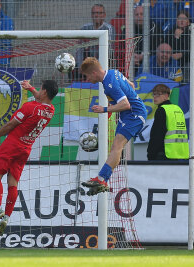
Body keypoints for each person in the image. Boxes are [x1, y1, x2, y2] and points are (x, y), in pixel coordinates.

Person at [0, 80, 58, 236]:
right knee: (13, 183)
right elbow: (41, 99)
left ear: (44, 92)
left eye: (40, 89)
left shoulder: (29, 107)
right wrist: (31, 88)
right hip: (26, 148)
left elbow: (10, 125)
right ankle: (6, 218)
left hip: (12, 144)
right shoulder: (51, 110)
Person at [80, 57, 147, 196]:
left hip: (134, 114)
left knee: (117, 146)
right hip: (128, 115)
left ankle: (101, 179)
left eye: (86, 76)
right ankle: (103, 180)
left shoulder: (109, 83)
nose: (87, 80)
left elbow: (126, 104)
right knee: (115, 147)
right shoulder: (113, 72)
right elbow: (131, 85)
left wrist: (104, 109)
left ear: (93, 73)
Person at [147, 84, 189, 160]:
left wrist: (151, 154)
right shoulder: (178, 109)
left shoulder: (162, 110)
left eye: (158, 94)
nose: (155, 97)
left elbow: (157, 134)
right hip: (179, 153)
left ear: (166, 96)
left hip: (164, 153)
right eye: (154, 94)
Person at [75, 4, 115, 69]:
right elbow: (79, 49)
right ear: (91, 15)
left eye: (99, 13)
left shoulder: (109, 29)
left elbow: (109, 49)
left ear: (104, 15)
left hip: (104, 61)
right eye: (94, 13)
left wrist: (97, 65)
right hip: (88, 60)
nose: (96, 15)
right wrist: (80, 65)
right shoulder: (85, 28)